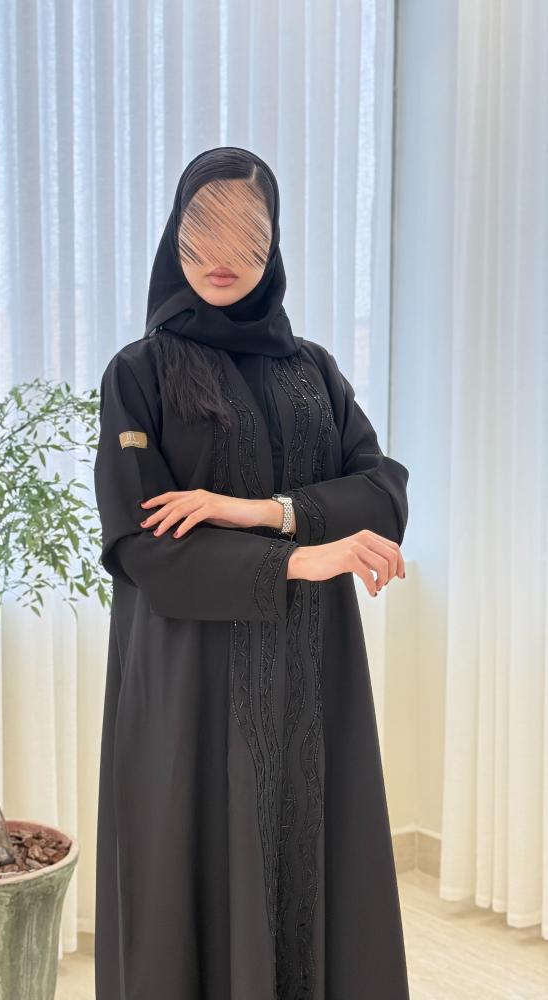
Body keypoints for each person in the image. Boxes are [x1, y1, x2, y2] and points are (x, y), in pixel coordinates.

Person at [93, 145, 411, 1000]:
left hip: (313, 672)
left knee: (313, 859)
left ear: (274, 241)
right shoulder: (140, 373)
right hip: (190, 680)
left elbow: (383, 493)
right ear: (175, 235)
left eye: (245, 232)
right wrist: (303, 556)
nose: (221, 255)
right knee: (194, 876)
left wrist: (260, 512)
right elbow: (144, 544)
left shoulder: (313, 370)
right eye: (202, 229)